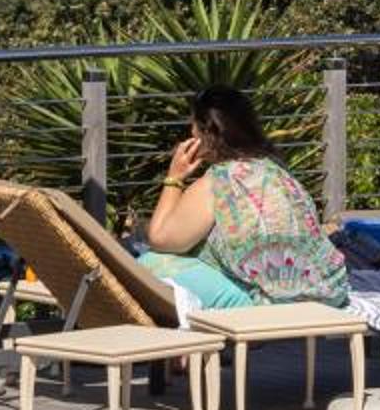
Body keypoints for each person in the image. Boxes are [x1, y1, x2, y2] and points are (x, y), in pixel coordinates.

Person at [142, 86, 351, 306]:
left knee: (151, 263)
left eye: (193, 125)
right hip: (330, 294)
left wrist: (174, 178)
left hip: (278, 306)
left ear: (207, 132)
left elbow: (159, 239)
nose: (191, 132)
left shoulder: (218, 180)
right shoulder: (275, 168)